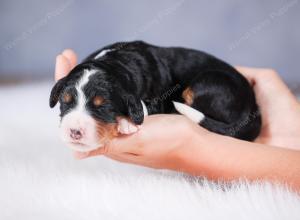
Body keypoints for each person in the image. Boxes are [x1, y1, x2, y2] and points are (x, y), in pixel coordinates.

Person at [55, 49, 300, 191]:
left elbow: (145, 107)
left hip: (227, 93)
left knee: (190, 93)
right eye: (67, 101)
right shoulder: (107, 73)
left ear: (128, 101)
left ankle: (218, 124)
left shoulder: (140, 80)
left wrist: (194, 146)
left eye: (100, 108)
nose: (76, 127)